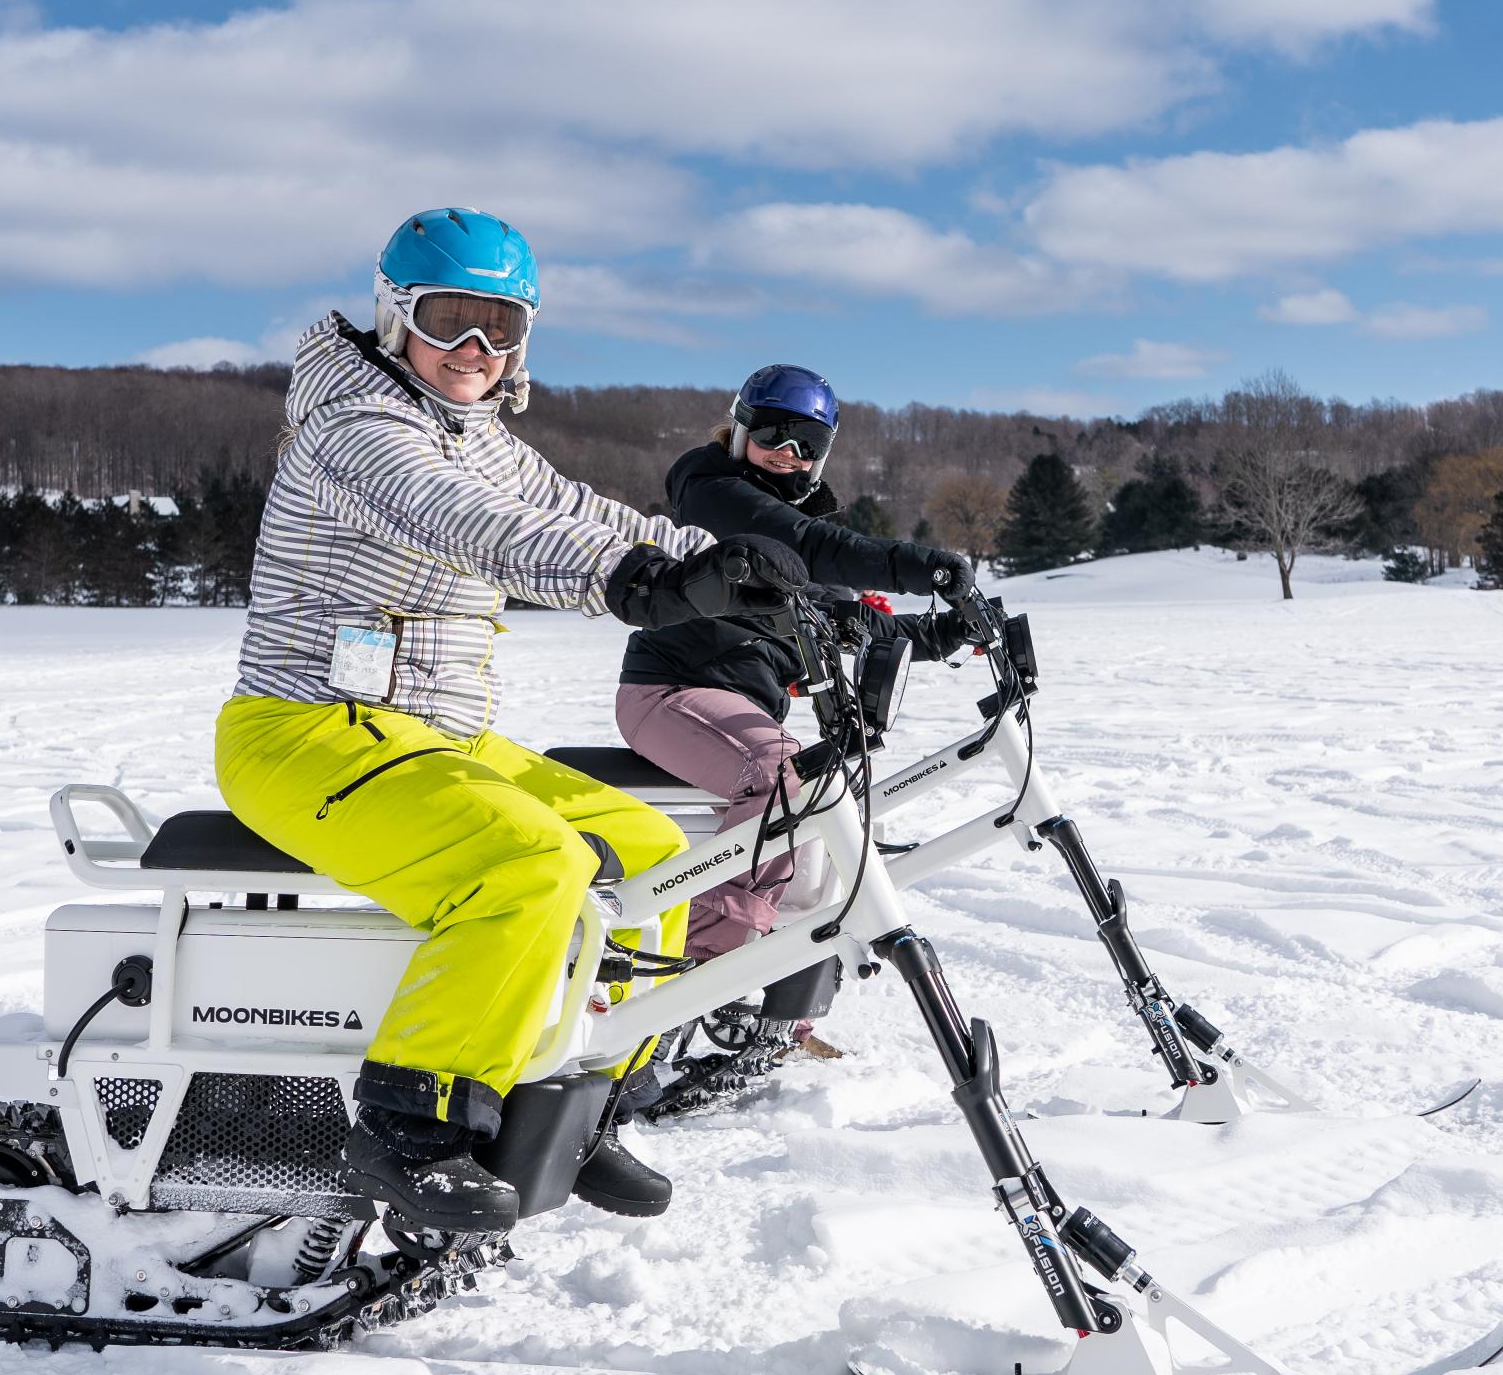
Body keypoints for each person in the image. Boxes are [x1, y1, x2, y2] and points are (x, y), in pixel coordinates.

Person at [215, 208, 804, 1233]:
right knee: (531, 862)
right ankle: (409, 1120)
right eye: (452, 321)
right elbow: (477, 527)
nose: (477, 352)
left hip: (431, 734)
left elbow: (590, 515)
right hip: (303, 728)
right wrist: (638, 582)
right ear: (396, 315)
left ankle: (583, 1101)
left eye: (502, 327)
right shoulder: (358, 426)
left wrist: (769, 574)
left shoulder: (482, 437)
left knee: (653, 850)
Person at [614, 364, 978, 969]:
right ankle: (707, 972)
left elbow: (852, 619)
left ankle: (783, 1004)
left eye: (807, 444)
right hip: (669, 693)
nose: (788, 454)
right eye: (774, 434)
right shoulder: (711, 490)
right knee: (776, 770)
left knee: (824, 822)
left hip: (741, 711)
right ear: (737, 430)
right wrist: (919, 566)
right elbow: (805, 549)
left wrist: (942, 632)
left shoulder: (797, 531)